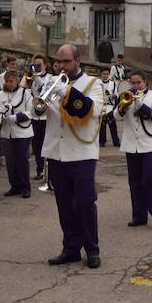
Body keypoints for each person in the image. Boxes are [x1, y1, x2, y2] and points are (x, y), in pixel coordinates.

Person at [42, 43, 105, 268]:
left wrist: (67, 93)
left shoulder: (93, 83)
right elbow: (38, 112)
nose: (61, 66)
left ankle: (92, 249)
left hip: (82, 152)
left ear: (78, 61)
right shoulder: (54, 82)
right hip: (57, 151)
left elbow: (93, 111)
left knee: (84, 202)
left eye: (66, 61)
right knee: (64, 204)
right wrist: (40, 93)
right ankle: (71, 249)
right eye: (58, 61)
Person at [115, 70, 152, 229]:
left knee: (149, 179)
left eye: (139, 83)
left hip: (150, 144)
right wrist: (123, 105)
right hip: (131, 145)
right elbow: (116, 116)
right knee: (135, 182)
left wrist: (140, 105)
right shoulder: (125, 95)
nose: (136, 86)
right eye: (133, 83)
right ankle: (139, 216)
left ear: (145, 82)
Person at [0, 70, 33, 198]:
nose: (9, 83)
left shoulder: (25, 93)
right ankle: (15, 186)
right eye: (7, 81)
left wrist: (17, 117)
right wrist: (0, 112)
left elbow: (32, 112)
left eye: (11, 81)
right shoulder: (1, 93)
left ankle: (25, 187)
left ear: (17, 81)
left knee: (22, 160)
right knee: (10, 161)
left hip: (22, 132)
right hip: (7, 132)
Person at [29, 54, 49, 180]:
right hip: (35, 115)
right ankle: (40, 169)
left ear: (45, 65)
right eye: (35, 65)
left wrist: (36, 77)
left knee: (46, 144)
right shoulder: (32, 78)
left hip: (47, 116)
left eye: (39, 65)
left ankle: (48, 170)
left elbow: (43, 89)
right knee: (36, 145)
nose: (37, 67)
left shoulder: (50, 78)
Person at [98, 68, 120, 148]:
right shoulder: (98, 83)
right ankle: (102, 141)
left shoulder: (113, 83)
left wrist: (114, 96)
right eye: (104, 74)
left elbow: (116, 94)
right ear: (101, 75)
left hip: (110, 106)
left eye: (107, 74)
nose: (105, 76)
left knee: (112, 125)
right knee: (102, 126)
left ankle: (116, 141)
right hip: (101, 106)